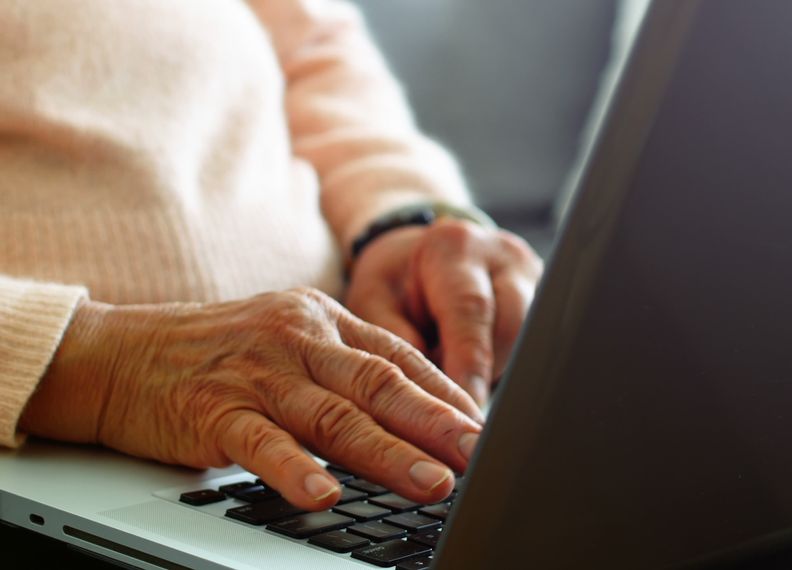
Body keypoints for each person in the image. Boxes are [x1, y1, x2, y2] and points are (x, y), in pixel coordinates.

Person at [0, 0, 542, 514]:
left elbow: (312, 50)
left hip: (321, 413)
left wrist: (395, 218)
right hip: (48, 456)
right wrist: (103, 365)